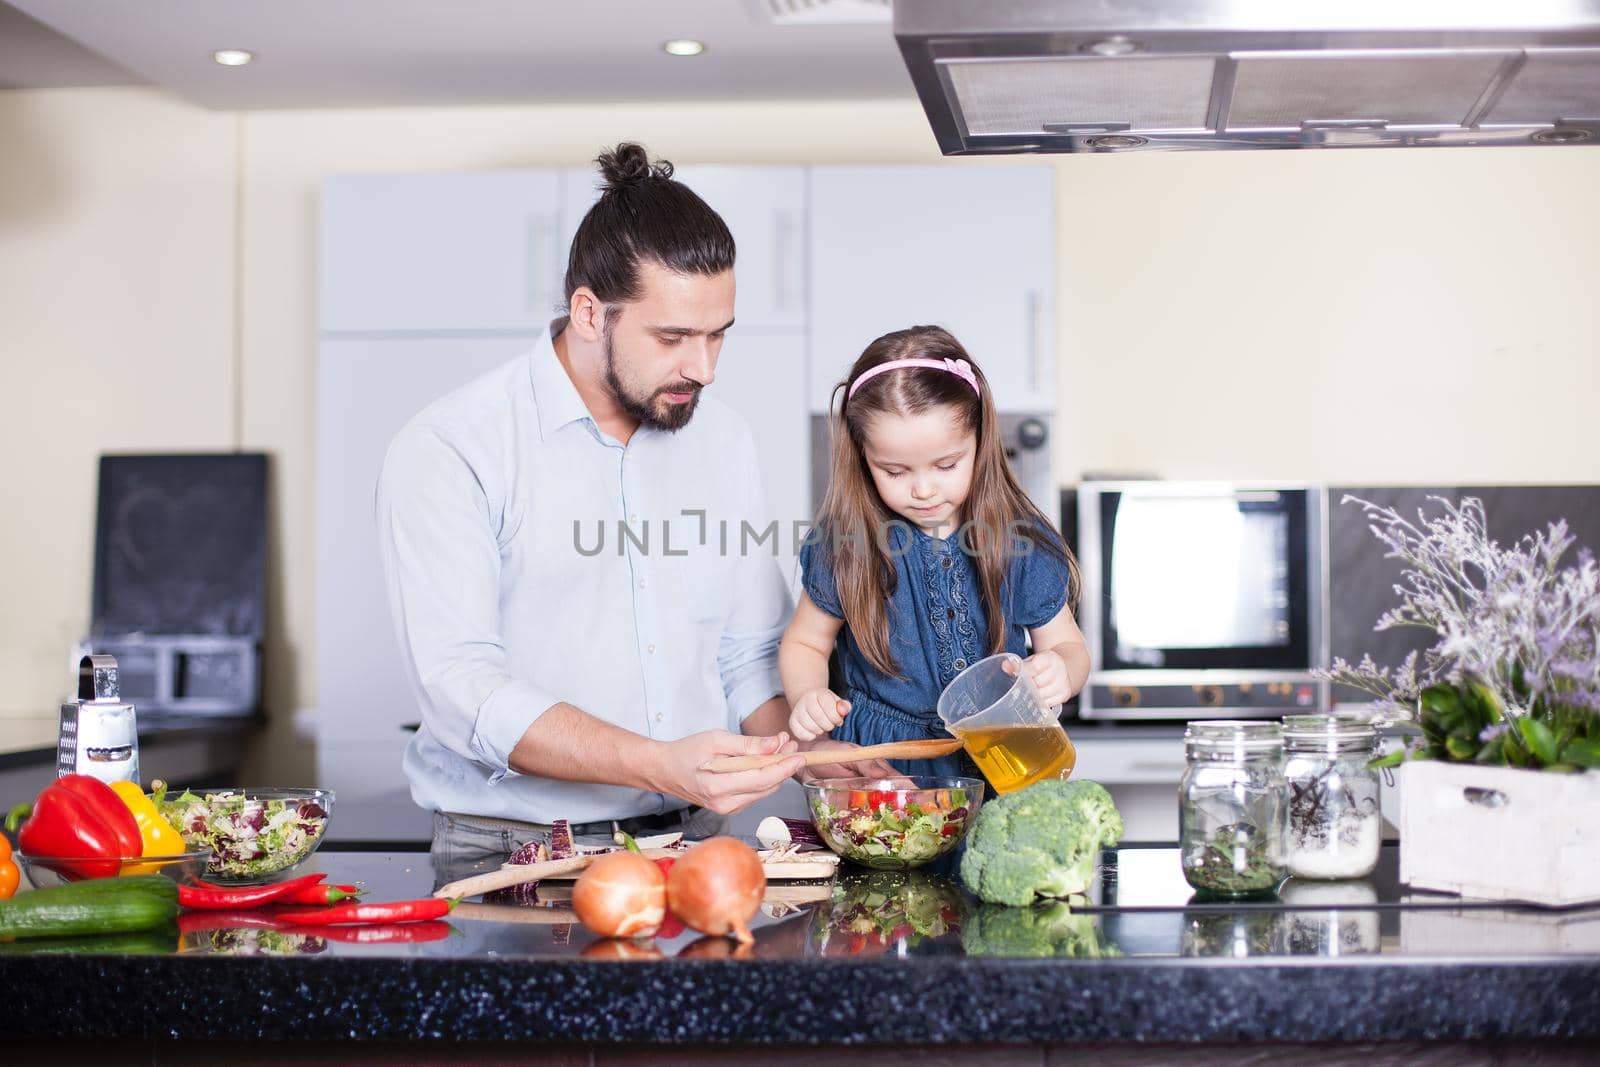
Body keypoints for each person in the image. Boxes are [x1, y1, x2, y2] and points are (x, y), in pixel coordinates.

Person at [376, 143, 890, 877]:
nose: (703, 368)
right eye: (673, 337)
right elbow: (465, 691)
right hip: (514, 852)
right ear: (590, 311)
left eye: (717, 335)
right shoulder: (451, 447)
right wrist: (657, 763)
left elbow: (745, 652)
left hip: (697, 841)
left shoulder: (725, 440)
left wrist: (811, 756)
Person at [778, 325, 1091, 783]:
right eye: (895, 470)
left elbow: (1068, 645)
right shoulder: (847, 543)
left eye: (946, 465)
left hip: (1002, 757)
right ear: (863, 457)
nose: (923, 489)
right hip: (884, 767)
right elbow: (805, 642)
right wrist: (808, 694)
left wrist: (1062, 670)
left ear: (980, 444)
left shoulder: (1017, 539)